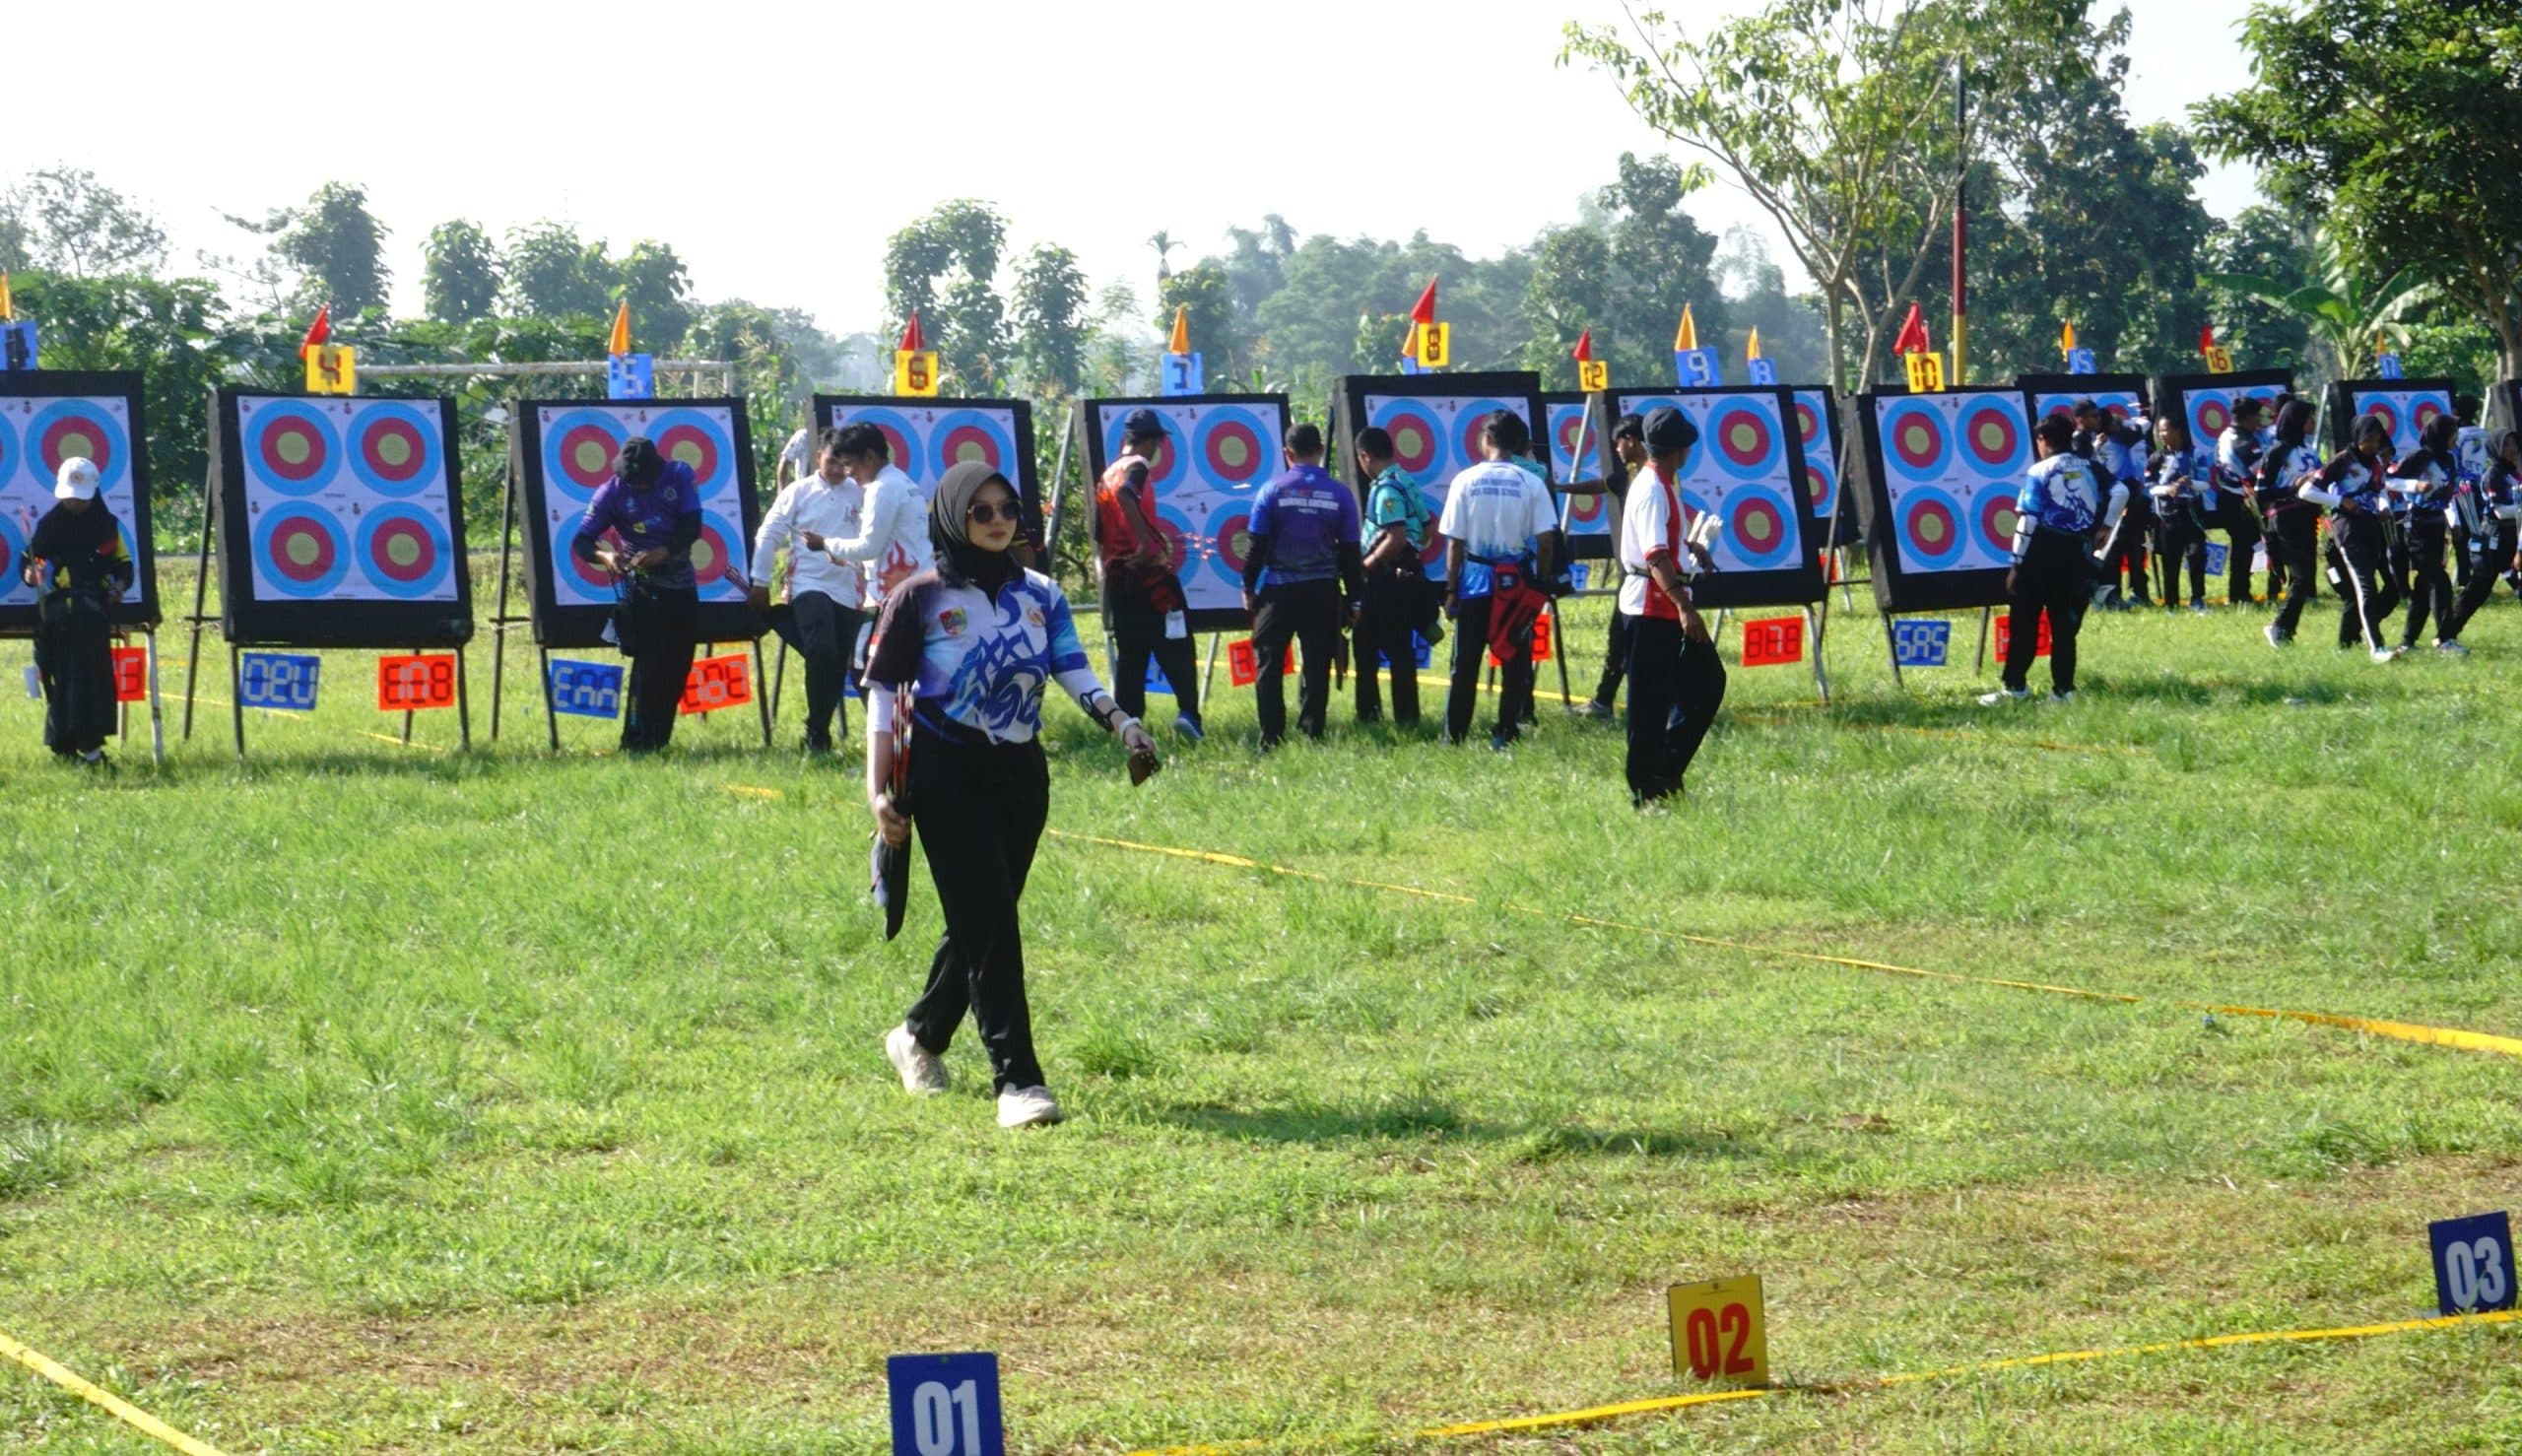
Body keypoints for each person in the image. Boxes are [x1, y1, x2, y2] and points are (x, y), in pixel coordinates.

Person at [863, 461, 1160, 1129]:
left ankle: (917, 1036)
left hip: (1021, 776)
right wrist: (877, 794)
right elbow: (885, 699)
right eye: (982, 512)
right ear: (952, 518)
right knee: (994, 924)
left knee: (981, 922)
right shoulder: (919, 595)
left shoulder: (1043, 593)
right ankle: (1018, 1083)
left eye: (1007, 510)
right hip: (943, 772)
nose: (999, 522)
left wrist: (1123, 722)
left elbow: (1071, 666)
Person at [1617, 407, 1724, 804]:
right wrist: (1685, 607)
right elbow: (1655, 556)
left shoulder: (1663, 484)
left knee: (1706, 685)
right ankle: (1646, 791)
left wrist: (1691, 546)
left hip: (1661, 605)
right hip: (1651, 608)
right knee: (1649, 706)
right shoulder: (1652, 489)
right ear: (1682, 449)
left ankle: (1664, 770)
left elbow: (1667, 543)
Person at [1982, 412, 2122, 704]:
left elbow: (2028, 520)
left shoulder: (2040, 470)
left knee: (2025, 621)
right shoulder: (2091, 466)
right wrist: (2106, 526)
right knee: (2064, 625)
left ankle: (2015, 688)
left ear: (2042, 440)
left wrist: (2016, 565)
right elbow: (2121, 491)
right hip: (2076, 555)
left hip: (2041, 553)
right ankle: (2064, 691)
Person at [1437, 411, 1559, 751]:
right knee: (1514, 662)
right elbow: (1546, 540)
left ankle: (1454, 736)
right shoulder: (1531, 482)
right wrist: (1541, 583)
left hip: (1475, 583)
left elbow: (1455, 543)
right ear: (1518, 445)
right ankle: (1505, 733)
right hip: (1516, 586)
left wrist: (1450, 589)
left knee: (1465, 664)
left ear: (1487, 439)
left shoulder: (1465, 480)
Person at [573, 436, 701, 752]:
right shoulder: (611, 492)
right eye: (634, 482)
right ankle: (635, 740)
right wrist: (606, 558)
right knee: (649, 665)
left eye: (645, 482)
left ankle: (659, 740)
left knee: (678, 664)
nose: (640, 487)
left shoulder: (679, 475)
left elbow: (692, 526)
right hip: (642, 587)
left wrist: (665, 551)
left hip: (681, 584)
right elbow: (582, 541)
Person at [1240, 423, 1362, 746]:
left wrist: (1248, 587)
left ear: (1287, 453)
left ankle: (1271, 737)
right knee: (1317, 663)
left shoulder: (1272, 490)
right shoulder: (1340, 494)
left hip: (1278, 591)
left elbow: (1256, 545)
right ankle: (1312, 733)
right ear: (1321, 450)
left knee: (1269, 664)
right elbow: (1351, 552)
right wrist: (1355, 599)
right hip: (1322, 591)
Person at [748, 427, 866, 753]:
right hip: (808, 584)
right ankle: (817, 733)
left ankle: (818, 730)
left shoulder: (861, 493)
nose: (838, 470)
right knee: (823, 649)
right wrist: (759, 582)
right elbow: (768, 534)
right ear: (817, 458)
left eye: (845, 464)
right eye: (831, 463)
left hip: (849, 589)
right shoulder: (798, 492)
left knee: (836, 659)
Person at [1093, 408, 1203, 741]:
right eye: (1159, 441)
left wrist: (1106, 571)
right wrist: (1145, 543)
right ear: (1152, 440)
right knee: (1178, 642)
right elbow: (1128, 495)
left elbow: (1098, 534)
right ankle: (1189, 715)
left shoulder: (1106, 474)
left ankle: (1129, 723)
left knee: (1132, 654)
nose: (1159, 449)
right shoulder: (1136, 467)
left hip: (1120, 579)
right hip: (1151, 577)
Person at [22, 457, 133, 767]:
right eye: (69, 496)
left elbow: (122, 565)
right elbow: (30, 558)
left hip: (92, 615)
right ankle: (64, 749)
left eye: (78, 498)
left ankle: (92, 750)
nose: (73, 503)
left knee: (90, 682)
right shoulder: (50, 523)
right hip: (56, 617)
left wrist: (119, 586)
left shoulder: (106, 525)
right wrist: (31, 572)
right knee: (57, 680)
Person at [1352, 426, 1439, 728]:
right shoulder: (1406, 481)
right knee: (1400, 650)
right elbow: (1428, 529)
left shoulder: (1386, 488)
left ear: (1365, 456)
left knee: (1365, 648)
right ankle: (1407, 717)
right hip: (1404, 578)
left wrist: (1368, 565)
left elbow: (1396, 535)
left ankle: (1370, 716)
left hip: (1384, 581)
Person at [2295, 414, 2402, 661]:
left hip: (2372, 526)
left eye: (2377, 440)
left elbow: (2380, 488)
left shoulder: (2375, 462)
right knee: (2366, 586)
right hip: (2348, 528)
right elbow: (2306, 491)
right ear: (2357, 437)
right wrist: (2340, 501)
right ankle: (2377, 648)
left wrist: (2384, 505)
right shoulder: (2343, 460)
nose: (2374, 445)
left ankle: (2364, 630)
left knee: (2392, 585)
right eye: (2369, 439)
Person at [1575, 412, 1648, 720]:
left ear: (1631, 441)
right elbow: (1602, 484)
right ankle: (1605, 701)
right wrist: (1562, 488)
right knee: (1621, 639)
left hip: (1645, 575)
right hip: (1640, 574)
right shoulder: (1638, 474)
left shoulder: (1647, 477)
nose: (1617, 450)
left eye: (1619, 443)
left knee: (1627, 641)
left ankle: (1615, 703)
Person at [817, 422, 934, 610]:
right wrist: (848, 560)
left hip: (895, 597)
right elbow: (891, 547)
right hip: (918, 588)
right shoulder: (904, 482)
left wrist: (825, 544)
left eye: (849, 464)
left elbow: (868, 547)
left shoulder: (881, 488)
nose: (848, 473)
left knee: (870, 640)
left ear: (869, 456)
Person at [2436, 429, 2522, 653]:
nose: (2511, 449)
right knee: (2476, 592)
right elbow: (2500, 512)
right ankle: (2445, 637)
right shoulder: (2493, 474)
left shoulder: (2513, 474)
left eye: (2513, 444)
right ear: (2495, 448)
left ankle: (2446, 636)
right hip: (2491, 542)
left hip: (2510, 541)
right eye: (2506, 445)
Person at [2390, 413, 2460, 654]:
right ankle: (2446, 639)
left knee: (2423, 586)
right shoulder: (2419, 458)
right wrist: (2414, 486)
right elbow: (2389, 481)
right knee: (2440, 582)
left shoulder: (2449, 460)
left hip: (2437, 525)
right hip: (2417, 525)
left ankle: (2407, 641)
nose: (2455, 439)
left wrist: (2454, 521)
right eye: (2453, 434)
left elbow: (2449, 493)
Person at [2258, 400, 2324, 647]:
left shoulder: (2311, 452)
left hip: (2309, 517)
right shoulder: (2277, 452)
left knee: (2305, 577)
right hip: (2286, 518)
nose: (2312, 422)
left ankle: (2285, 628)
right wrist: (2293, 487)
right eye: (2309, 418)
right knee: (2302, 575)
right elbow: (2262, 492)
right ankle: (2280, 626)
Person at [2076, 400, 2152, 609]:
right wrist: (2095, 448)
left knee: (2135, 547)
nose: (2111, 428)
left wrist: (2126, 424)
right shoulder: (2085, 440)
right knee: (2111, 549)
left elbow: (2144, 426)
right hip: (2106, 499)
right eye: (2099, 420)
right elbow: (2084, 465)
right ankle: (2112, 594)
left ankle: (2140, 592)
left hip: (2130, 496)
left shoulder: (2124, 437)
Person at [2210, 395, 2268, 605]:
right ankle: (2240, 594)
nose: (2259, 422)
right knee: (2244, 548)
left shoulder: (2224, 435)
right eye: (2256, 418)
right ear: (2248, 417)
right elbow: (2260, 469)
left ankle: (2240, 592)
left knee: (2242, 547)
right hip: (2240, 501)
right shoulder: (2245, 441)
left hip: (2226, 497)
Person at [2147, 417, 2209, 612]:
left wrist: (2190, 484)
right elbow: (2149, 488)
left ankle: (2197, 599)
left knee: (2196, 555)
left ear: (2178, 430)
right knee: (2170, 561)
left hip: (2191, 514)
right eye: (2160, 431)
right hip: (2167, 516)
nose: (2163, 435)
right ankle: (2171, 603)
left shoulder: (2195, 455)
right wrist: (2167, 490)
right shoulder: (2156, 458)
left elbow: (2205, 484)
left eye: (2166, 430)